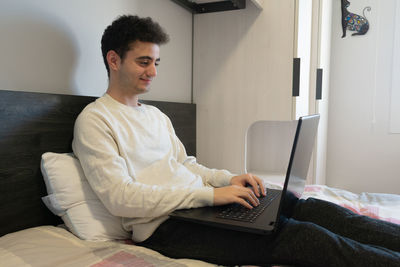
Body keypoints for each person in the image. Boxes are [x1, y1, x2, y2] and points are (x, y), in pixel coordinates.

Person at [72, 15, 400, 266]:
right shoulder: (96, 120)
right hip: (166, 228)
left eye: (156, 62)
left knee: (313, 209)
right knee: (306, 238)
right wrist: (210, 196)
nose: (153, 72)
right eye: (144, 62)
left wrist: (228, 180)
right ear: (113, 60)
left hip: (198, 208)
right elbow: (120, 198)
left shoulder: (156, 115)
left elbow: (185, 165)